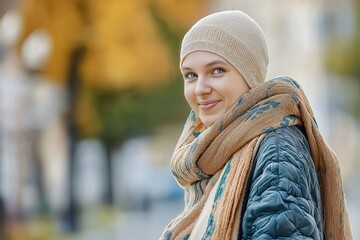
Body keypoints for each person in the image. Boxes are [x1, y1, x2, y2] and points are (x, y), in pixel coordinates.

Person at [160, 10, 353, 240]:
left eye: (217, 70)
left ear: (248, 75)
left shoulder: (277, 149)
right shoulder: (218, 150)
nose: (200, 88)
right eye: (190, 75)